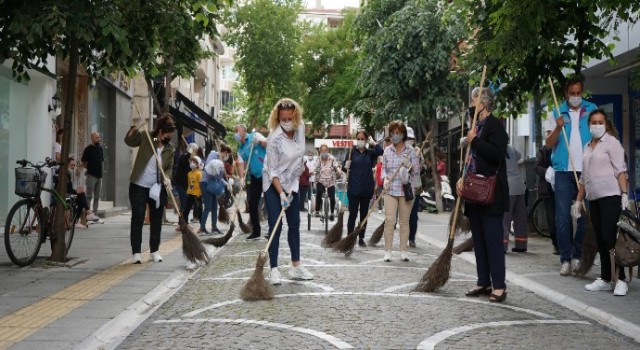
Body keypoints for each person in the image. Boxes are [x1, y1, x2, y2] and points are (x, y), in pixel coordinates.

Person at [455, 87, 508, 303]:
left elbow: (496, 154)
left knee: (492, 239)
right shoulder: (475, 126)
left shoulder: (495, 126)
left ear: (484, 102)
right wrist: (461, 178)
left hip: (490, 192)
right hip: (474, 189)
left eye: (474, 99)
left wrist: (474, 140)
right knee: (478, 238)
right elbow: (470, 159)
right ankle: (483, 280)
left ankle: (499, 286)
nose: (471, 102)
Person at [573, 109, 629, 296]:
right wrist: (578, 200)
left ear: (606, 124)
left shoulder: (612, 143)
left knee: (610, 237)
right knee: (600, 239)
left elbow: (620, 170)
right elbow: (583, 177)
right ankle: (606, 278)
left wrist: (624, 194)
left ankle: (620, 279)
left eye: (600, 122)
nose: (596, 125)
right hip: (593, 199)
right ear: (589, 125)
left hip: (611, 196)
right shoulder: (588, 146)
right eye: (593, 122)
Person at [545, 77, 597, 276]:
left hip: (586, 171)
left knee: (584, 215)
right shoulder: (556, 113)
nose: (576, 97)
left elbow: (599, 135)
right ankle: (565, 258)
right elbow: (549, 145)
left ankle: (578, 256)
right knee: (562, 218)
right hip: (563, 172)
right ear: (566, 94)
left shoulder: (591, 109)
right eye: (572, 93)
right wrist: (558, 127)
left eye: (579, 93)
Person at [262, 98, 314, 285]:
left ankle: (295, 266)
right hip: (273, 184)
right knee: (276, 225)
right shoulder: (274, 139)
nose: (286, 122)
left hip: (292, 181)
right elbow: (272, 170)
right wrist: (281, 194)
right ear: (277, 118)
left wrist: (298, 171)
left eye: (289, 118)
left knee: (294, 223)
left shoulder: (299, 129)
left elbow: (299, 155)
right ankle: (274, 269)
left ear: (295, 116)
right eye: (283, 118)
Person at [125, 115, 175, 264]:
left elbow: (169, 168)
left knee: (156, 220)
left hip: (157, 188)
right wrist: (136, 127)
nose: (168, 137)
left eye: (170, 135)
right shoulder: (150, 139)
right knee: (138, 218)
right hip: (139, 186)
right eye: (167, 134)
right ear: (160, 131)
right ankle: (136, 253)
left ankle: (154, 251)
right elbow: (129, 141)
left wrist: (167, 178)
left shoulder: (169, 148)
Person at [381, 120, 419, 262]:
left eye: (398, 133)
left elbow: (416, 170)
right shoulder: (387, 151)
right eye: (393, 133)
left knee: (404, 222)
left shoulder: (410, 151)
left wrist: (408, 164)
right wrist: (384, 179)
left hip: (405, 190)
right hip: (390, 190)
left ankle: (403, 250)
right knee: (390, 220)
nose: (395, 136)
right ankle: (388, 251)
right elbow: (383, 169)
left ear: (403, 134)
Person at [344, 130, 382, 247]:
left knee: (364, 215)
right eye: (358, 139)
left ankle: (361, 237)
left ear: (366, 140)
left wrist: (374, 143)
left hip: (366, 188)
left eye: (362, 139)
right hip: (353, 188)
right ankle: (350, 237)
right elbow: (344, 169)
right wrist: (346, 166)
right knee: (353, 214)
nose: (360, 141)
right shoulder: (351, 152)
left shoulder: (370, 153)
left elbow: (381, 151)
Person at [235, 123, 267, 240]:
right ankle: (256, 230)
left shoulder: (255, 135)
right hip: (254, 177)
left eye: (237, 131)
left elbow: (268, 145)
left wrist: (258, 142)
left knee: (269, 200)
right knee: (252, 203)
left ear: (244, 130)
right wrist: (242, 177)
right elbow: (241, 164)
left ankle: (273, 228)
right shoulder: (240, 149)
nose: (235, 134)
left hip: (266, 172)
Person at [503, 145, 528, 252]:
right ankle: (521, 244)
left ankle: (502, 245)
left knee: (505, 218)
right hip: (520, 187)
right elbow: (519, 155)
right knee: (520, 218)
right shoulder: (512, 148)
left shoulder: (497, 149)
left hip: (508, 188)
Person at [534, 146, 558, 254]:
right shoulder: (543, 151)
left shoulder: (562, 149)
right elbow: (536, 167)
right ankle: (556, 244)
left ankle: (566, 244)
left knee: (564, 219)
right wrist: (548, 171)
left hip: (561, 190)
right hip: (548, 190)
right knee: (551, 220)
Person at [314, 144, 343, 221]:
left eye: (325, 150)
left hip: (331, 181)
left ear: (328, 151)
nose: (324, 152)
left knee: (332, 197)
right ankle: (317, 210)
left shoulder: (332, 158)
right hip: (321, 180)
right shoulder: (318, 159)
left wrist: (338, 171)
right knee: (319, 192)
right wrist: (313, 171)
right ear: (320, 151)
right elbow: (315, 167)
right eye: (322, 151)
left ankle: (332, 213)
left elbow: (336, 166)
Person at [407, 127, 425, 248]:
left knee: (413, 215)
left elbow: (422, 169)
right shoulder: (400, 151)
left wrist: (416, 160)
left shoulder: (418, 151)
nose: (409, 140)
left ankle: (412, 238)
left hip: (416, 186)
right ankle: (404, 237)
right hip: (402, 186)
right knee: (403, 215)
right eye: (407, 138)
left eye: (411, 139)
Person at [200, 148, 224, 235]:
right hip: (205, 184)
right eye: (226, 154)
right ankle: (202, 228)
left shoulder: (221, 161)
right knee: (207, 207)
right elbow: (208, 169)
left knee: (214, 207)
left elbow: (220, 178)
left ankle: (214, 227)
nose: (226, 157)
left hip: (212, 185)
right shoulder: (213, 155)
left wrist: (226, 184)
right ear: (224, 152)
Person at [82, 132, 104, 222]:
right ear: (92, 138)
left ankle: (95, 215)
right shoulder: (88, 149)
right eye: (97, 137)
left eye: (99, 137)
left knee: (97, 197)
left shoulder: (100, 148)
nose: (99, 139)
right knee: (89, 196)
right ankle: (87, 215)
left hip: (99, 177)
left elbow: (101, 161)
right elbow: (83, 162)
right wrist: (89, 169)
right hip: (91, 176)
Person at [174, 142, 199, 223]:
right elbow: (187, 170)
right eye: (195, 151)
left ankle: (184, 222)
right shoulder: (184, 157)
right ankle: (182, 222)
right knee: (184, 202)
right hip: (180, 183)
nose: (196, 153)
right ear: (191, 150)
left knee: (186, 203)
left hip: (186, 184)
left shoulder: (192, 159)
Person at [66, 157, 90, 229]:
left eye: (74, 165)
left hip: (71, 194)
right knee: (81, 198)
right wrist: (77, 191)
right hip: (67, 195)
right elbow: (68, 189)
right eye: (71, 165)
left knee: (81, 200)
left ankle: (77, 221)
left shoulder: (73, 173)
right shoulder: (67, 173)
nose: (73, 167)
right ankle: (87, 211)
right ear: (67, 165)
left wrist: (78, 190)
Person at [183, 156, 203, 225]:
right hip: (190, 193)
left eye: (194, 162)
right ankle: (185, 223)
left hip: (197, 195)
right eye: (191, 161)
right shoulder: (189, 173)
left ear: (197, 164)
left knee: (199, 210)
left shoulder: (199, 173)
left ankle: (202, 226)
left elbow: (201, 184)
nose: (192, 163)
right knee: (186, 210)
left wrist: (200, 193)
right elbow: (189, 184)